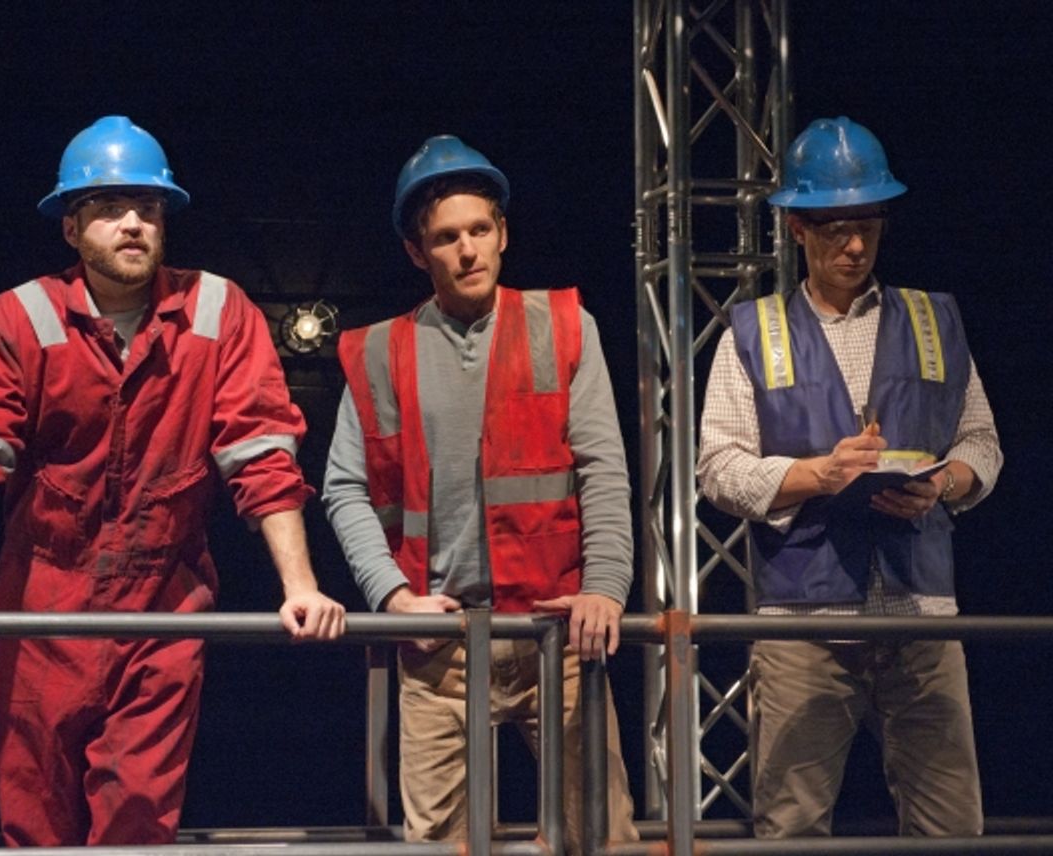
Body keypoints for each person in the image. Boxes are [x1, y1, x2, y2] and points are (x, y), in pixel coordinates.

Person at [0, 115, 346, 846]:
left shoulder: (219, 312)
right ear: (70, 228)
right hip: (39, 616)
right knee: (36, 825)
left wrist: (300, 586)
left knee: (137, 827)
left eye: (149, 208)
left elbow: (260, 454)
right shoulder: (21, 317)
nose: (133, 224)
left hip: (162, 614)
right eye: (108, 208)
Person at [323, 135, 638, 853]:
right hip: (442, 647)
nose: (466, 250)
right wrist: (393, 598)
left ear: (502, 234)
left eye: (478, 231)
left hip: (555, 632)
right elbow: (341, 487)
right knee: (440, 845)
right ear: (416, 252)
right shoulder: (379, 351)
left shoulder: (563, 327)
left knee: (599, 837)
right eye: (445, 238)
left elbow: (603, 468)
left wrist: (606, 588)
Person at [697, 116, 1003, 838]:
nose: (855, 245)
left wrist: (945, 485)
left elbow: (981, 440)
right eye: (834, 227)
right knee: (793, 829)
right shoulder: (755, 331)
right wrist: (815, 475)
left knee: (952, 828)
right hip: (805, 624)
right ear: (797, 228)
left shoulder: (934, 320)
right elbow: (717, 466)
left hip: (922, 617)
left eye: (867, 224)